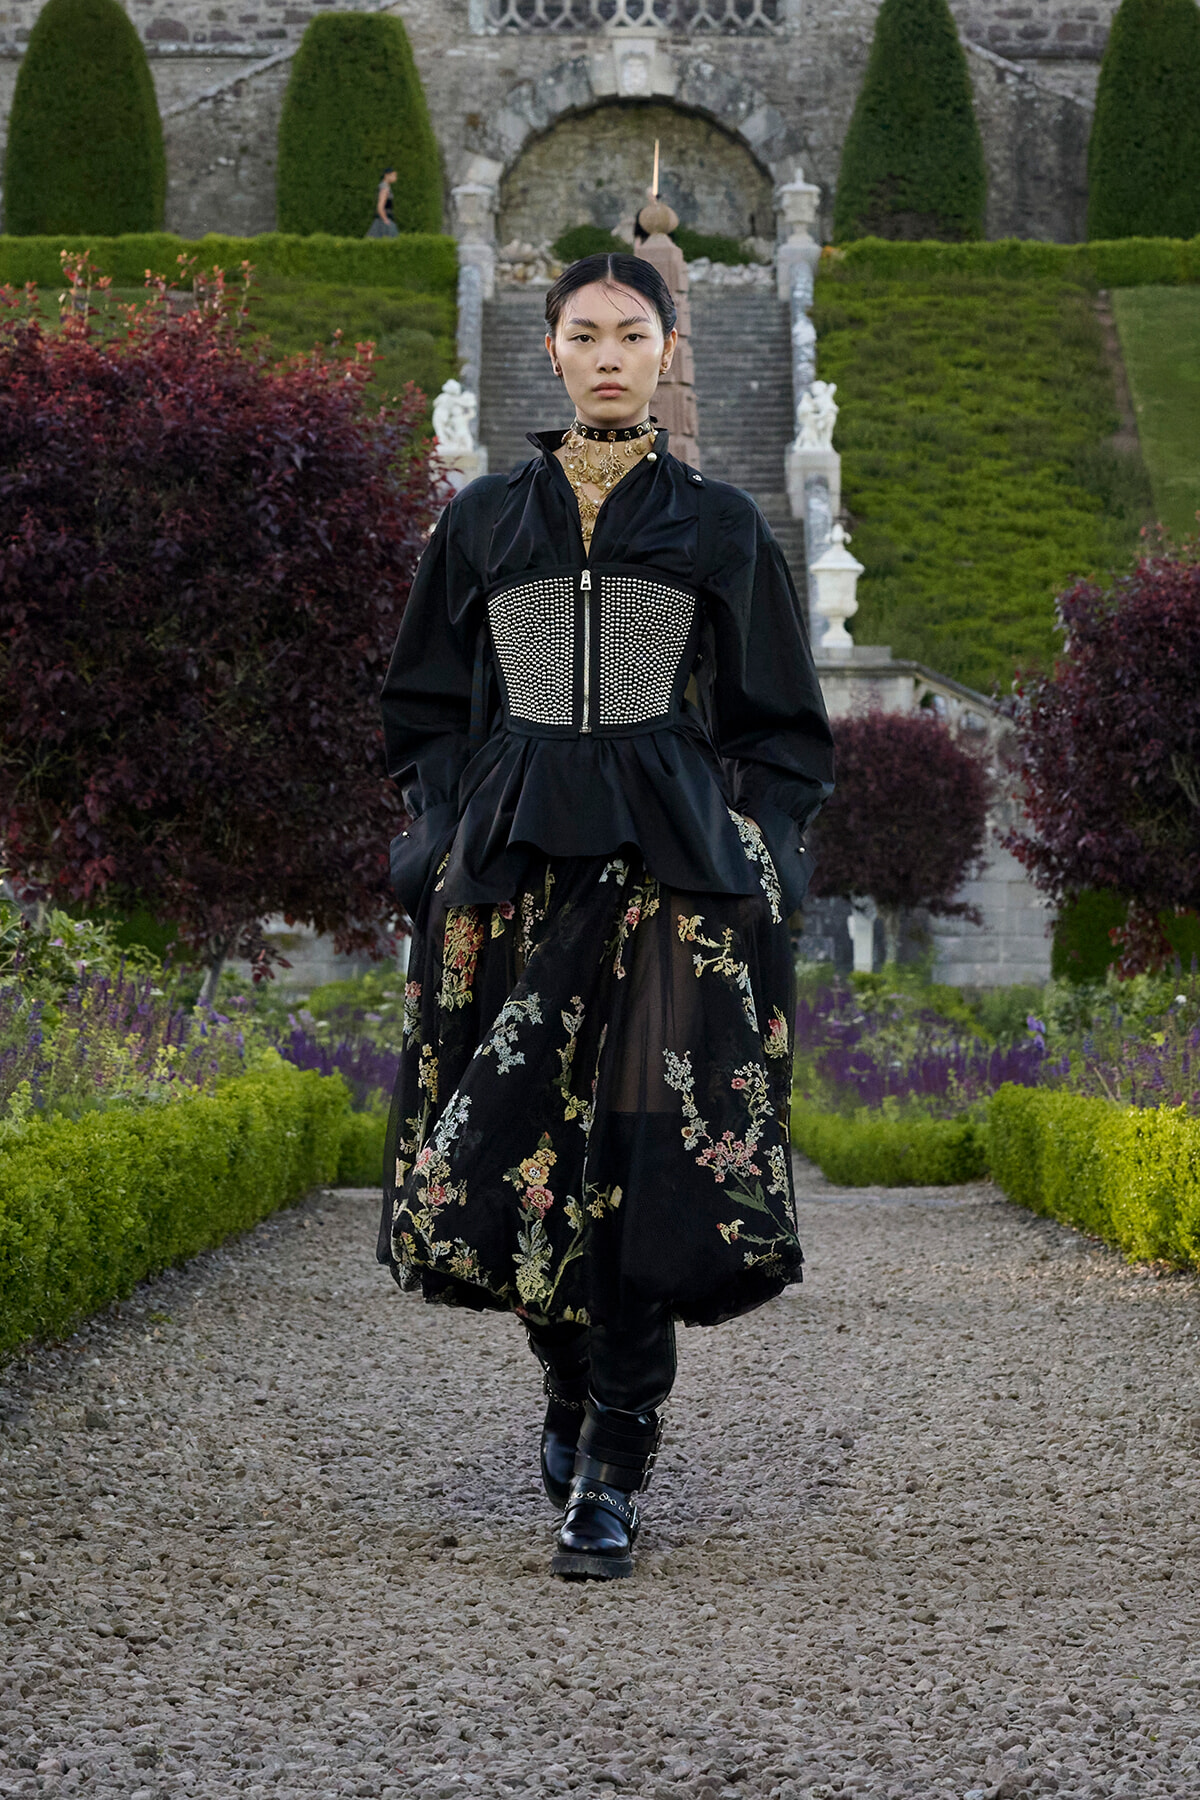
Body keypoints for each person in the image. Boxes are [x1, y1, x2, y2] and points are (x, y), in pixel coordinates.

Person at [377, 252, 834, 1581]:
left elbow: (781, 727)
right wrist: (442, 837)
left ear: (674, 348)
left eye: (636, 333)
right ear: (552, 350)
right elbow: (420, 707)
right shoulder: (483, 520)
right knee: (517, 1151)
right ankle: (568, 1393)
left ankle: (615, 1462)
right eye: (587, 334)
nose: (612, 354)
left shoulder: (720, 526)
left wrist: (767, 853)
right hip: (513, 872)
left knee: (643, 1160)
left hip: (670, 882)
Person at [367, 168, 399, 238]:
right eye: (394, 175)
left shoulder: (385, 187)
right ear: (386, 175)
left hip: (383, 219)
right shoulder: (384, 188)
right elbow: (380, 206)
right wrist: (385, 220)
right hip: (383, 220)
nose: (395, 178)